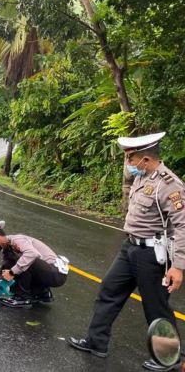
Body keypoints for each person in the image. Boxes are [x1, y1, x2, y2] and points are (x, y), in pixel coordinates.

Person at [68, 132, 184, 372]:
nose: (128, 163)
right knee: (108, 290)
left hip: (152, 255)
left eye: (131, 158)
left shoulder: (169, 185)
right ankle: (96, 342)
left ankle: (169, 359)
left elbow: (183, 225)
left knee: (156, 306)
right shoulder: (142, 179)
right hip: (129, 247)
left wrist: (178, 266)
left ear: (145, 159)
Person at [0, 220, 69, 309]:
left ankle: (21, 298)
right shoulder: (8, 250)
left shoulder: (17, 239)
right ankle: (42, 294)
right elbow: (2, 273)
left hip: (55, 274)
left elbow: (32, 254)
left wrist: (12, 272)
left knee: (21, 262)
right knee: (16, 264)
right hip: (49, 273)